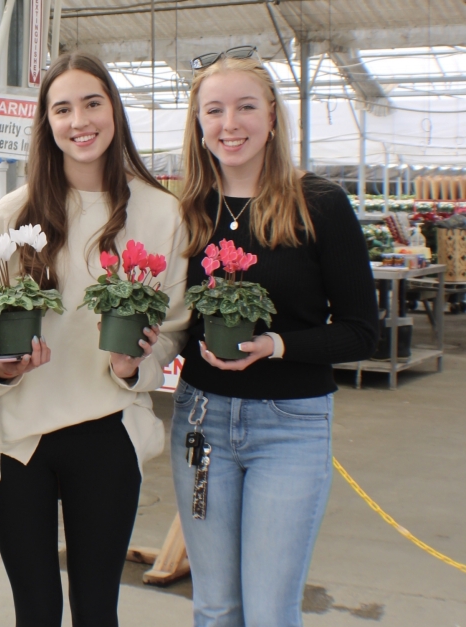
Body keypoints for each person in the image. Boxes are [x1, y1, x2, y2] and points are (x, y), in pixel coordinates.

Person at [0, 52, 190, 626]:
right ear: (47, 122)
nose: (79, 120)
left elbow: (172, 327)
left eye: (92, 102)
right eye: (62, 108)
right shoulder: (15, 213)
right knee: (35, 611)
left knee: (97, 609)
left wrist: (131, 367)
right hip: (19, 436)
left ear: (114, 110)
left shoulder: (161, 212)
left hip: (106, 432)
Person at [172, 47, 379, 626]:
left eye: (244, 107)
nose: (229, 124)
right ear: (198, 122)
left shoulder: (320, 204)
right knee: (215, 607)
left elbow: (363, 332)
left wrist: (278, 345)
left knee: (268, 612)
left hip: (290, 426)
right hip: (201, 422)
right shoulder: (185, 209)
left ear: (272, 116)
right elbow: (173, 322)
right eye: (214, 110)